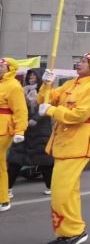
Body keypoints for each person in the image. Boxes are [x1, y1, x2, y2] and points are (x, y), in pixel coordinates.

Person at [38, 52, 90, 244]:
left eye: (84, 61)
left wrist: (51, 111)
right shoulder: (71, 84)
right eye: (80, 60)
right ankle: (70, 232)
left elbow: (79, 115)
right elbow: (44, 100)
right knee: (68, 192)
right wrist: (46, 84)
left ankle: (73, 232)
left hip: (79, 140)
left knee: (60, 193)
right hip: (64, 140)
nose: (79, 63)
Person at [8, 68, 53, 199]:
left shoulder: (47, 92)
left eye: (34, 75)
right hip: (24, 131)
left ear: (39, 77)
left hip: (41, 131)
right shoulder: (22, 91)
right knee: (15, 160)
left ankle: (51, 187)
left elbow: (47, 108)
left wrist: (35, 119)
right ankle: (7, 189)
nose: (31, 77)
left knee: (45, 162)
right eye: (30, 75)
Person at [0, 57, 28, 212]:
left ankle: (3, 199)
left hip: (3, 128)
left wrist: (20, 130)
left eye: (2, 66)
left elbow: (20, 110)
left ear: (10, 68)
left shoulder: (14, 86)